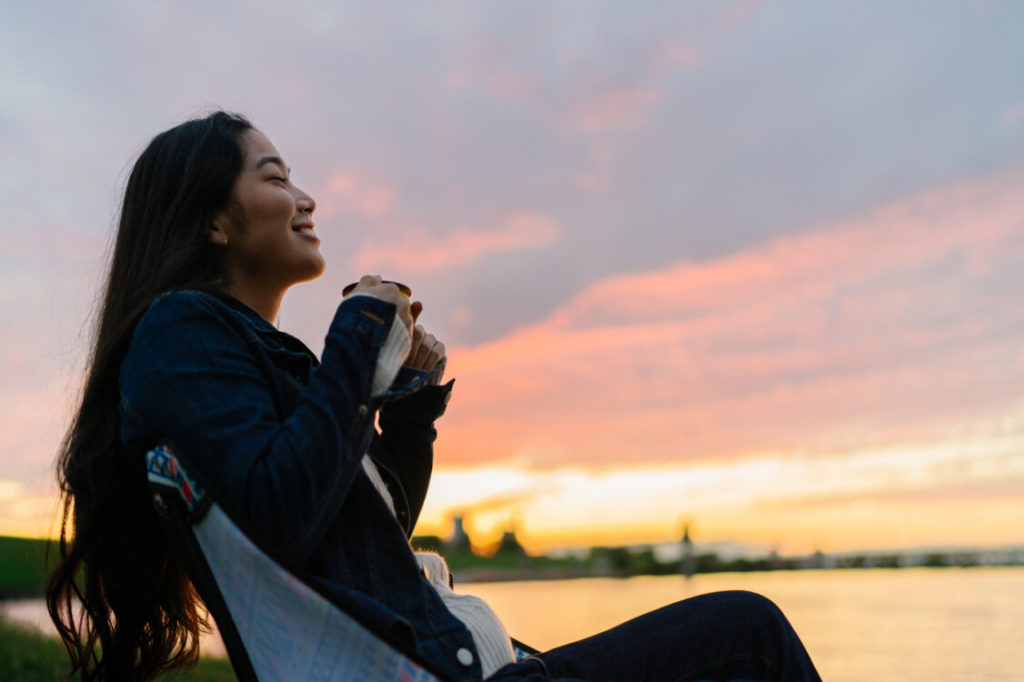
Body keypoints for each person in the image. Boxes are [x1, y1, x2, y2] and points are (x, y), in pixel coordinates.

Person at [47, 111, 821, 681]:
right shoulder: (180, 330)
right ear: (213, 220)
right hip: (440, 674)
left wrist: (407, 410)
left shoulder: (239, 354)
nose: (307, 199)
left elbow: (362, 544)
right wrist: (355, 335)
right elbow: (278, 513)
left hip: (450, 661)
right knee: (749, 634)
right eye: (277, 178)